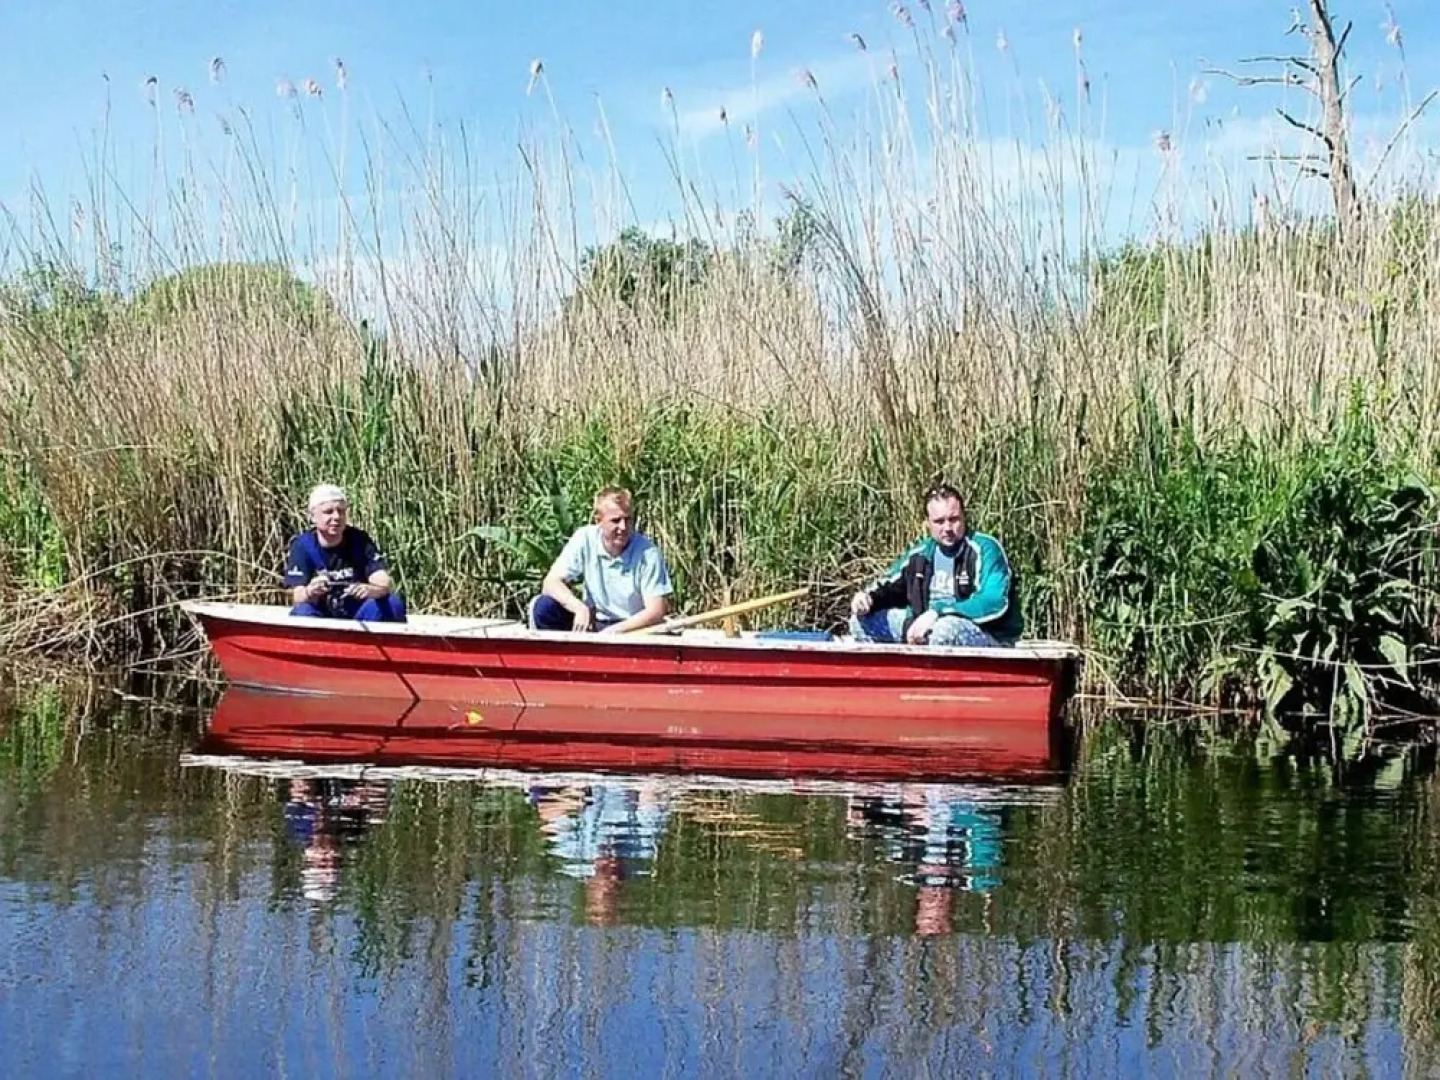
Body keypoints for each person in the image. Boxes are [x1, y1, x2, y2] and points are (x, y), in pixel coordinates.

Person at [849, 482, 1020, 646]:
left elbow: (993, 602)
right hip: (923, 628)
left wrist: (939, 611)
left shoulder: (985, 548)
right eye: (939, 521)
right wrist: (867, 598)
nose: (947, 528)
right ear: (928, 524)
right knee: (861, 622)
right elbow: (890, 585)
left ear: (964, 518)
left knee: (943, 631)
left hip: (983, 634)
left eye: (953, 520)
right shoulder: (921, 554)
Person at [528, 486, 673, 633]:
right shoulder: (584, 538)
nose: (623, 527)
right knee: (543, 607)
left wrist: (615, 631)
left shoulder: (648, 553)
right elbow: (550, 583)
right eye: (615, 521)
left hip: (634, 628)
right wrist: (579, 607)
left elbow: (656, 610)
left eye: (628, 520)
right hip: (594, 622)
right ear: (599, 520)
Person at [283, 483, 408, 622]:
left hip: (359, 613)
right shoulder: (302, 546)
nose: (336, 517)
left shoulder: (359, 540)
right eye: (328, 512)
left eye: (341, 511)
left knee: (392, 604)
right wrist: (310, 591)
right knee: (302, 612)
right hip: (321, 614)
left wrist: (371, 590)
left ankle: (373, 643)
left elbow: (383, 582)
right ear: (313, 517)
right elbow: (296, 596)